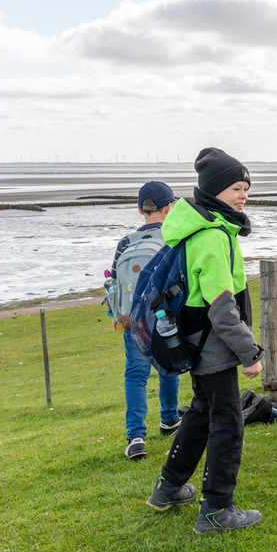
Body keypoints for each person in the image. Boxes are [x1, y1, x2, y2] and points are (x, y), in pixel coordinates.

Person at [144, 147, 265, 533]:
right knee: (228, 422)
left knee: (200, 412)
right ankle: (216, 509)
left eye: (246, 188)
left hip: (194, 341)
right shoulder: (213, 236)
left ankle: (169, 487)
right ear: (214, 191)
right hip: (213, 344)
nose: (242, 195)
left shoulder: (198, 227)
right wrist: (250, 354)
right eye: (235, 188)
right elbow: (221, 307)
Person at [112, 181, 182, 460]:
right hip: (165, 318)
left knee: (135, 376)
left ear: (140, 209)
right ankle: (168, 419)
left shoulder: (125, 243)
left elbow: (115, 284)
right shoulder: (173, 238)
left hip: (133, 321)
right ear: (169, 207)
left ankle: (136, 436)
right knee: (169, 368)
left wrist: (117, 316)